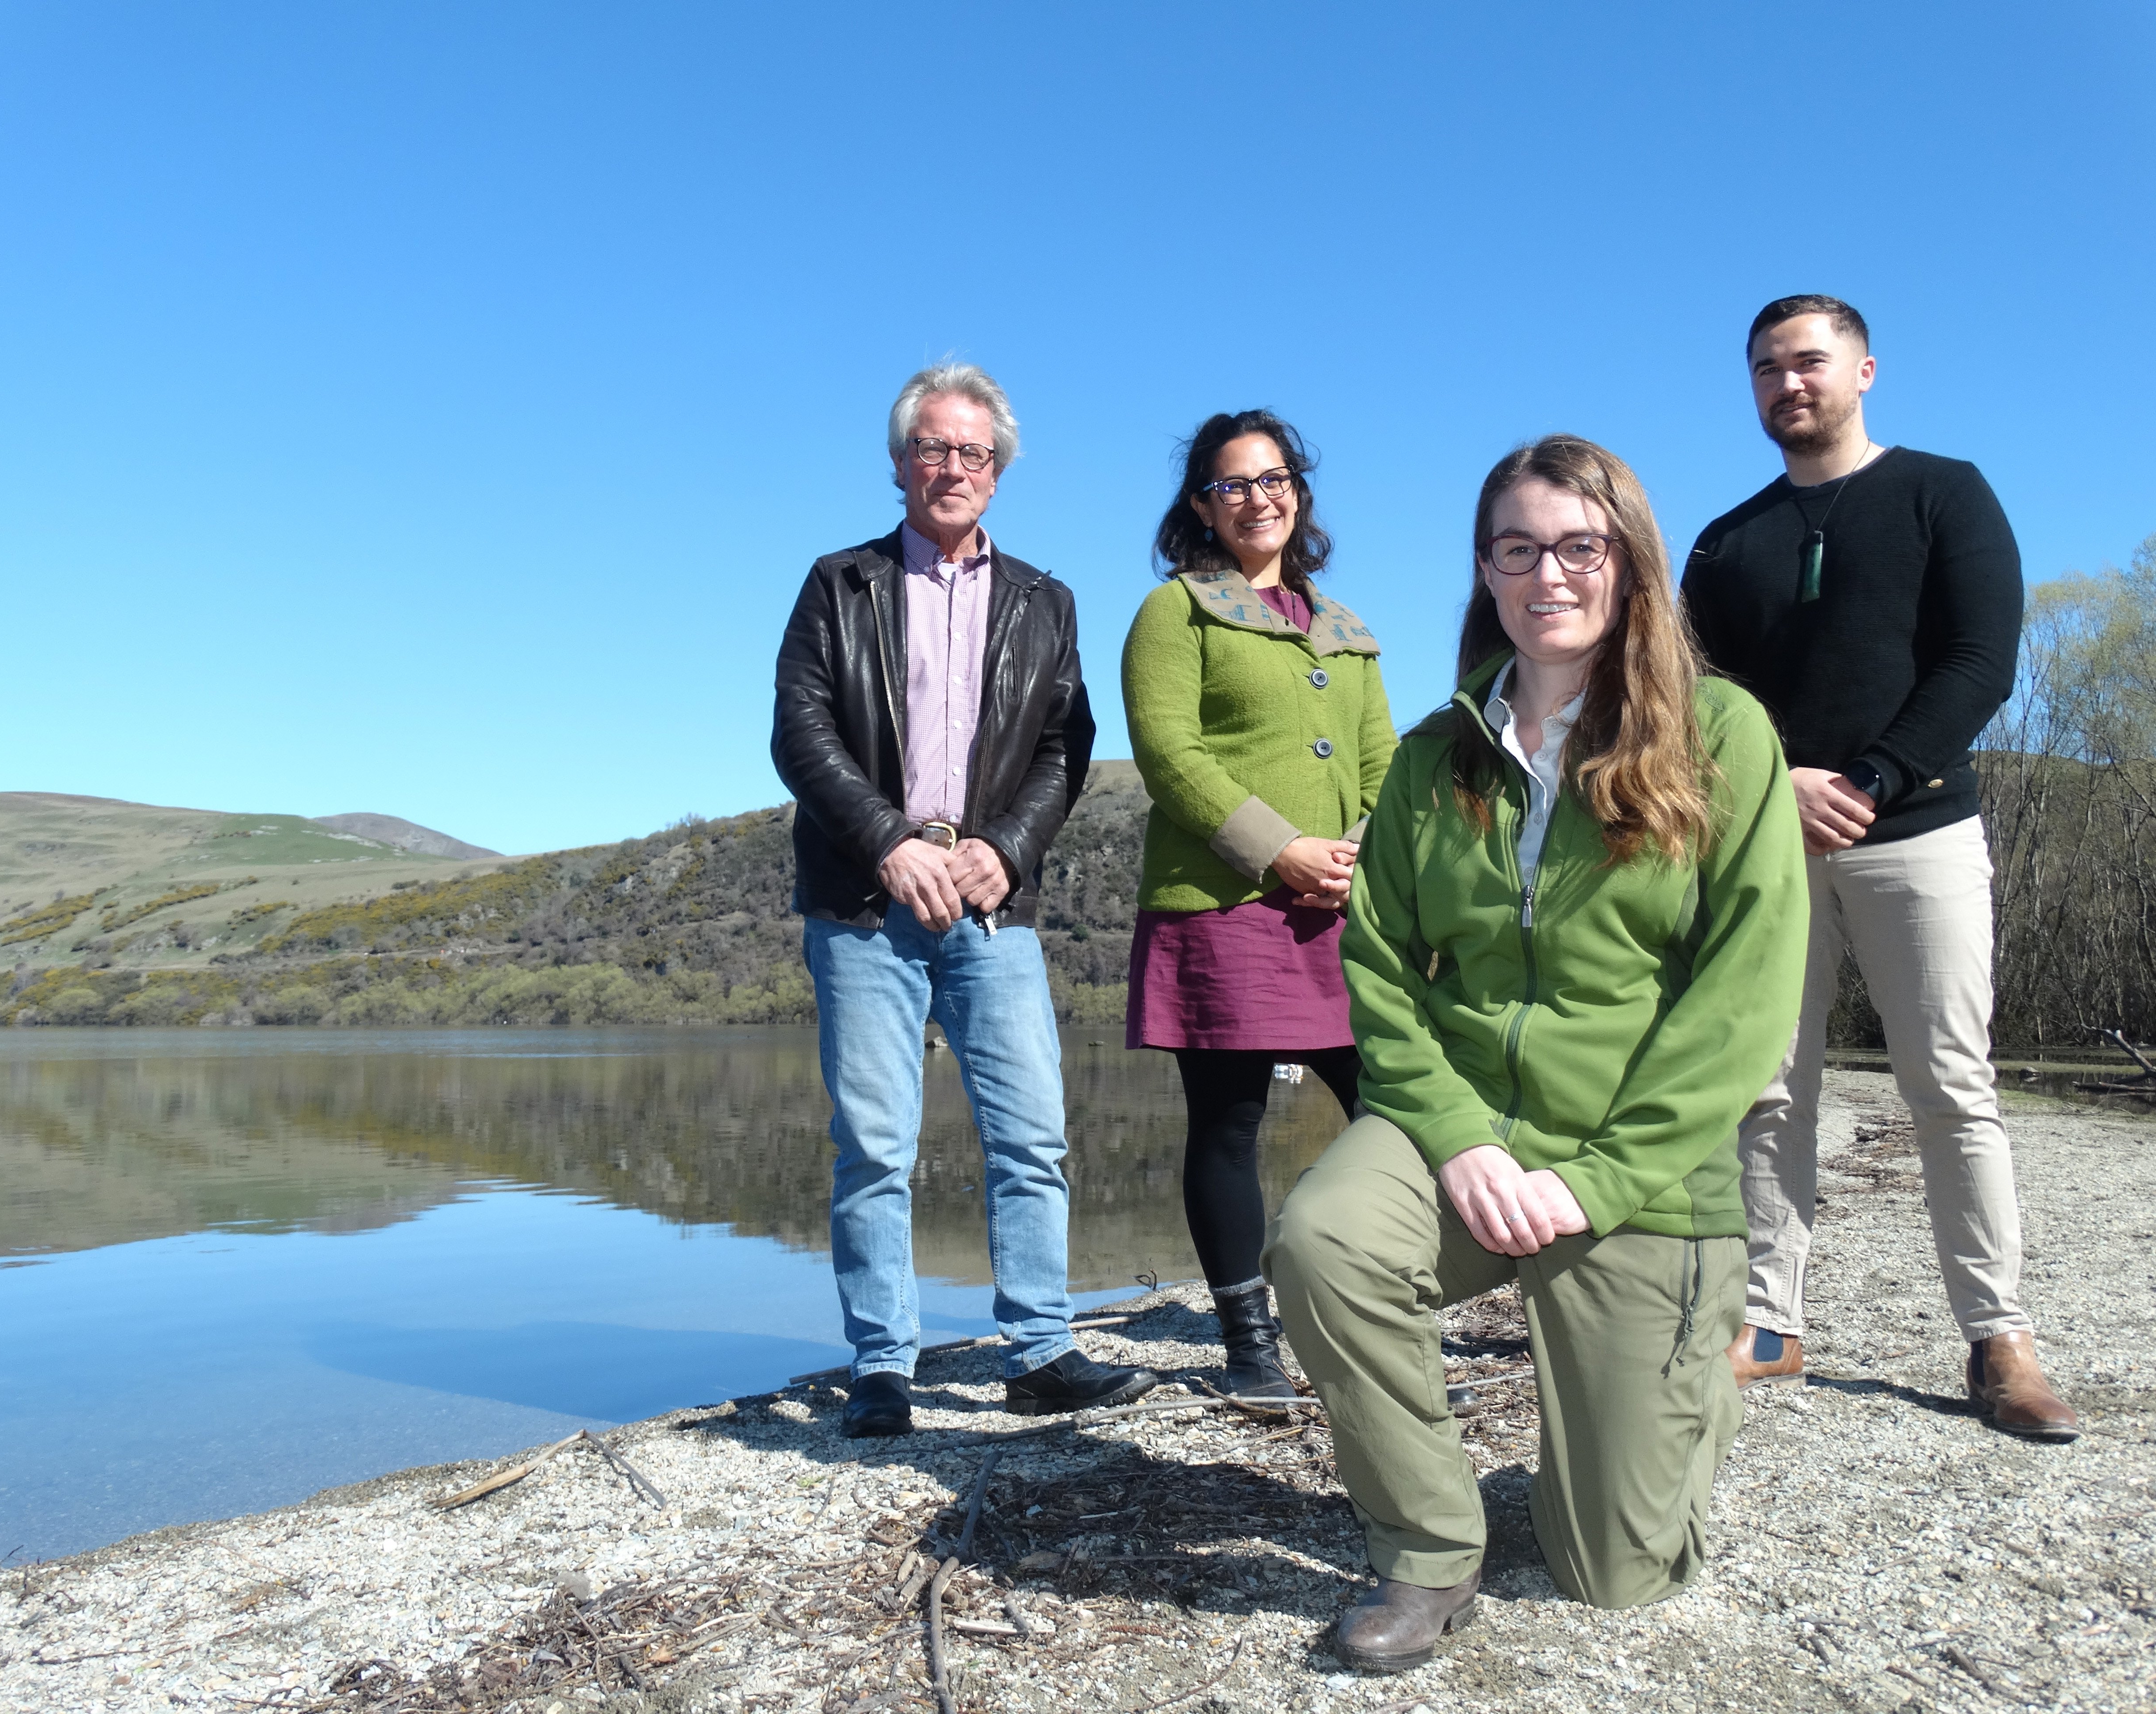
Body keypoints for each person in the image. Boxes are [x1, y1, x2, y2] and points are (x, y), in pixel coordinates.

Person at [1264, 435, 1809, 1663]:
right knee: (1324, 1241)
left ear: (1630, 562)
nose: (1548, 574)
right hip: (1467, 1133)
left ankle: (1678, 1375)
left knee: (1619, 1574)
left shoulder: (1724, 738)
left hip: (1637, 1167)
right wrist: (1456, 1142)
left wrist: (1594, 1180)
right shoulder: (1429, 760)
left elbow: (1743, 1000)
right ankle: (1429, 1548)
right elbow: (1383, 974)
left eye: (1579, 546)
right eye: (1518, 548)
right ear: (1485, 570)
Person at [1682, 295, 2079, 1440]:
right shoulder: (1725, 543)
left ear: (1863, 368)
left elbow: (1979, 659)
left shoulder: (1944, 492)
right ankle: (1769, 1321)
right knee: (1767, 1086)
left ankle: (2000, 1339)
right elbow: (1697, 701)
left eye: (1809, 360)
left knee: (1952, 1084)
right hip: (1765, 843)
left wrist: (1869, 779)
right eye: (1766, 367)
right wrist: (1777, 785)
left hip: (1922, 833)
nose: (1787, 381)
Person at [770, 362, 1157, 1438]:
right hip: (865, 899)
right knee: (876, 1147)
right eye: (933, 448)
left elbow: (1063, 748)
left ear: (999, 472)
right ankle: (884, 1367)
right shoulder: (837, 583)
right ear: (900, 464)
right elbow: (801, 734)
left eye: (973, 452)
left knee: (1033, 1136)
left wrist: (1008, 850)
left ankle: (1040, 1350)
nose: (952, 467)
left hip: (991, 905)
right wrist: (889, 841)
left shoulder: (1045, 600)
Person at [1120, 410, 1396, 1398]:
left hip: (1344, 908)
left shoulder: (1348, 631)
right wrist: (1279, 849)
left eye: (1274, 478)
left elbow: (1381, 767)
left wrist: (1361, 855)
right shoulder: (1176, 613)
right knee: (1228, 1123)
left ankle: (1370, 1304)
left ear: (1300, 491)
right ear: (1202, 505)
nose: (1257, 498)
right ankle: (1250, 1350)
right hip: (1224, 900)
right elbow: (1167, 753)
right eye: (1232, 484)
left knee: (1390, 1106)